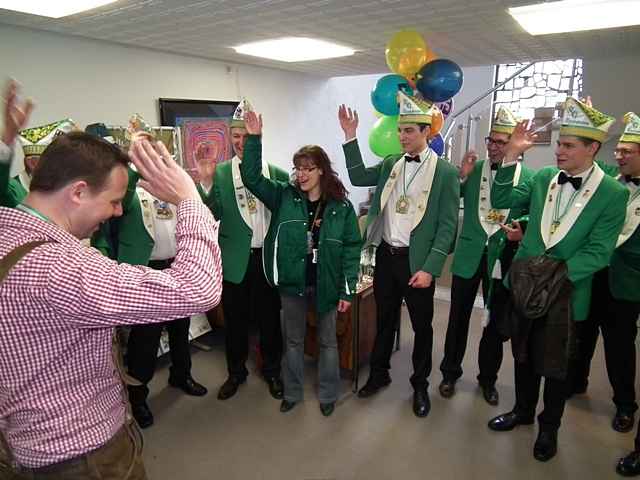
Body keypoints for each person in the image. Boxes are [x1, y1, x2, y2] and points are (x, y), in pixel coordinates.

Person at [0, 88, 223, 478]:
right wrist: (189, 198)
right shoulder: (61, 269)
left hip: (27, 443)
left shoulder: (8, 231)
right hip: (82, 456)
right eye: (114, 200)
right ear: (78, 192)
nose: (119, 211)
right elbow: (199, 287)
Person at [486, 98, 628, 462]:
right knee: (522, 356)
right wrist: (512, 156)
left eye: (568, 146)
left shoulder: (614, 193)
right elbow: (502, 200)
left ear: (592, 148)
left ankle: (549, 428)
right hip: (523, 287)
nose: (559, 151)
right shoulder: (545, 177)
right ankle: (521, 411)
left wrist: (551, 277)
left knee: (556, 366)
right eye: (560, 143)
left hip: (566, 294)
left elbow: (599, 251)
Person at [339, 91, 459, 418]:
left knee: (422, 326)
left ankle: (420, 384)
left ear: (427, 132)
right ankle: (379, 374)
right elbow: (358, 176)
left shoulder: (446, 173)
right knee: (384, 319)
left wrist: (431, 268)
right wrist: (350, 137)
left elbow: (448, 226)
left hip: (417, 262)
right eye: (400, 130)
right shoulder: (392, 163)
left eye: (409, 131)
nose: (402, 136)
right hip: (386, 257)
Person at [90, 115, 210, 429]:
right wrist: (133, 159)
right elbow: (123, 194)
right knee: (145, 342)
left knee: (181, 332)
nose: (153, 160)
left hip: (177, 267)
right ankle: (139, 397)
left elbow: (198, 210)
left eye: (156, 154)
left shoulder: (175, 186)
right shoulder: (131, 189)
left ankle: (181, 375)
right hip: (147, 272)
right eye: (146, 155)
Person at [239, 111, 361, 417]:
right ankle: (292, 392)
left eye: (308, 169)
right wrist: (254, 139)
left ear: (321, 171)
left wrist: (347, 292)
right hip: (293, 283)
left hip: (327, 284)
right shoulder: (283, 196)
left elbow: (351, 249)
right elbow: (251, 178)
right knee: (292, 341)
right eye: (297, 169)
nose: (301, 174)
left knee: (328, 343)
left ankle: (328, 394)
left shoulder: (340, 207)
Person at [439, 106, 534, 405]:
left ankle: (487, 379)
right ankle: (449, 373)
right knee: (457, 319)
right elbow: (452, 197)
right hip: (469, 253)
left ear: (514, 146)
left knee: (494, 322)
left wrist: (524, 228)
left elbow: (533, 215)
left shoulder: (529, 178)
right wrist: (462, 178)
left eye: (500, 142)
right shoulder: (476, 169)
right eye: (490, 141)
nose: (493, 147)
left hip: (503, 256)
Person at [197, 99, 288, 401]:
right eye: (236, 136)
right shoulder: (220, 173)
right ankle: (236, 373)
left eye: (246, 137)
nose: (240, 142)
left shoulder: (277, 174)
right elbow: (211, 212)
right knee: (234, 322)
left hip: (265, 260)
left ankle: (273, 371)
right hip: (235, 260)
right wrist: (206, 183)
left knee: (269, 321)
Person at [569, 111, 640, 434]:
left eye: (627, 151)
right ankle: (576, 381)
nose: (619, 156)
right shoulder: (608, 178)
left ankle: (625, 404)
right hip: (591, 274)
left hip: (625, 283)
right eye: (618, 150)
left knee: (620, 346)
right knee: (581, 334)